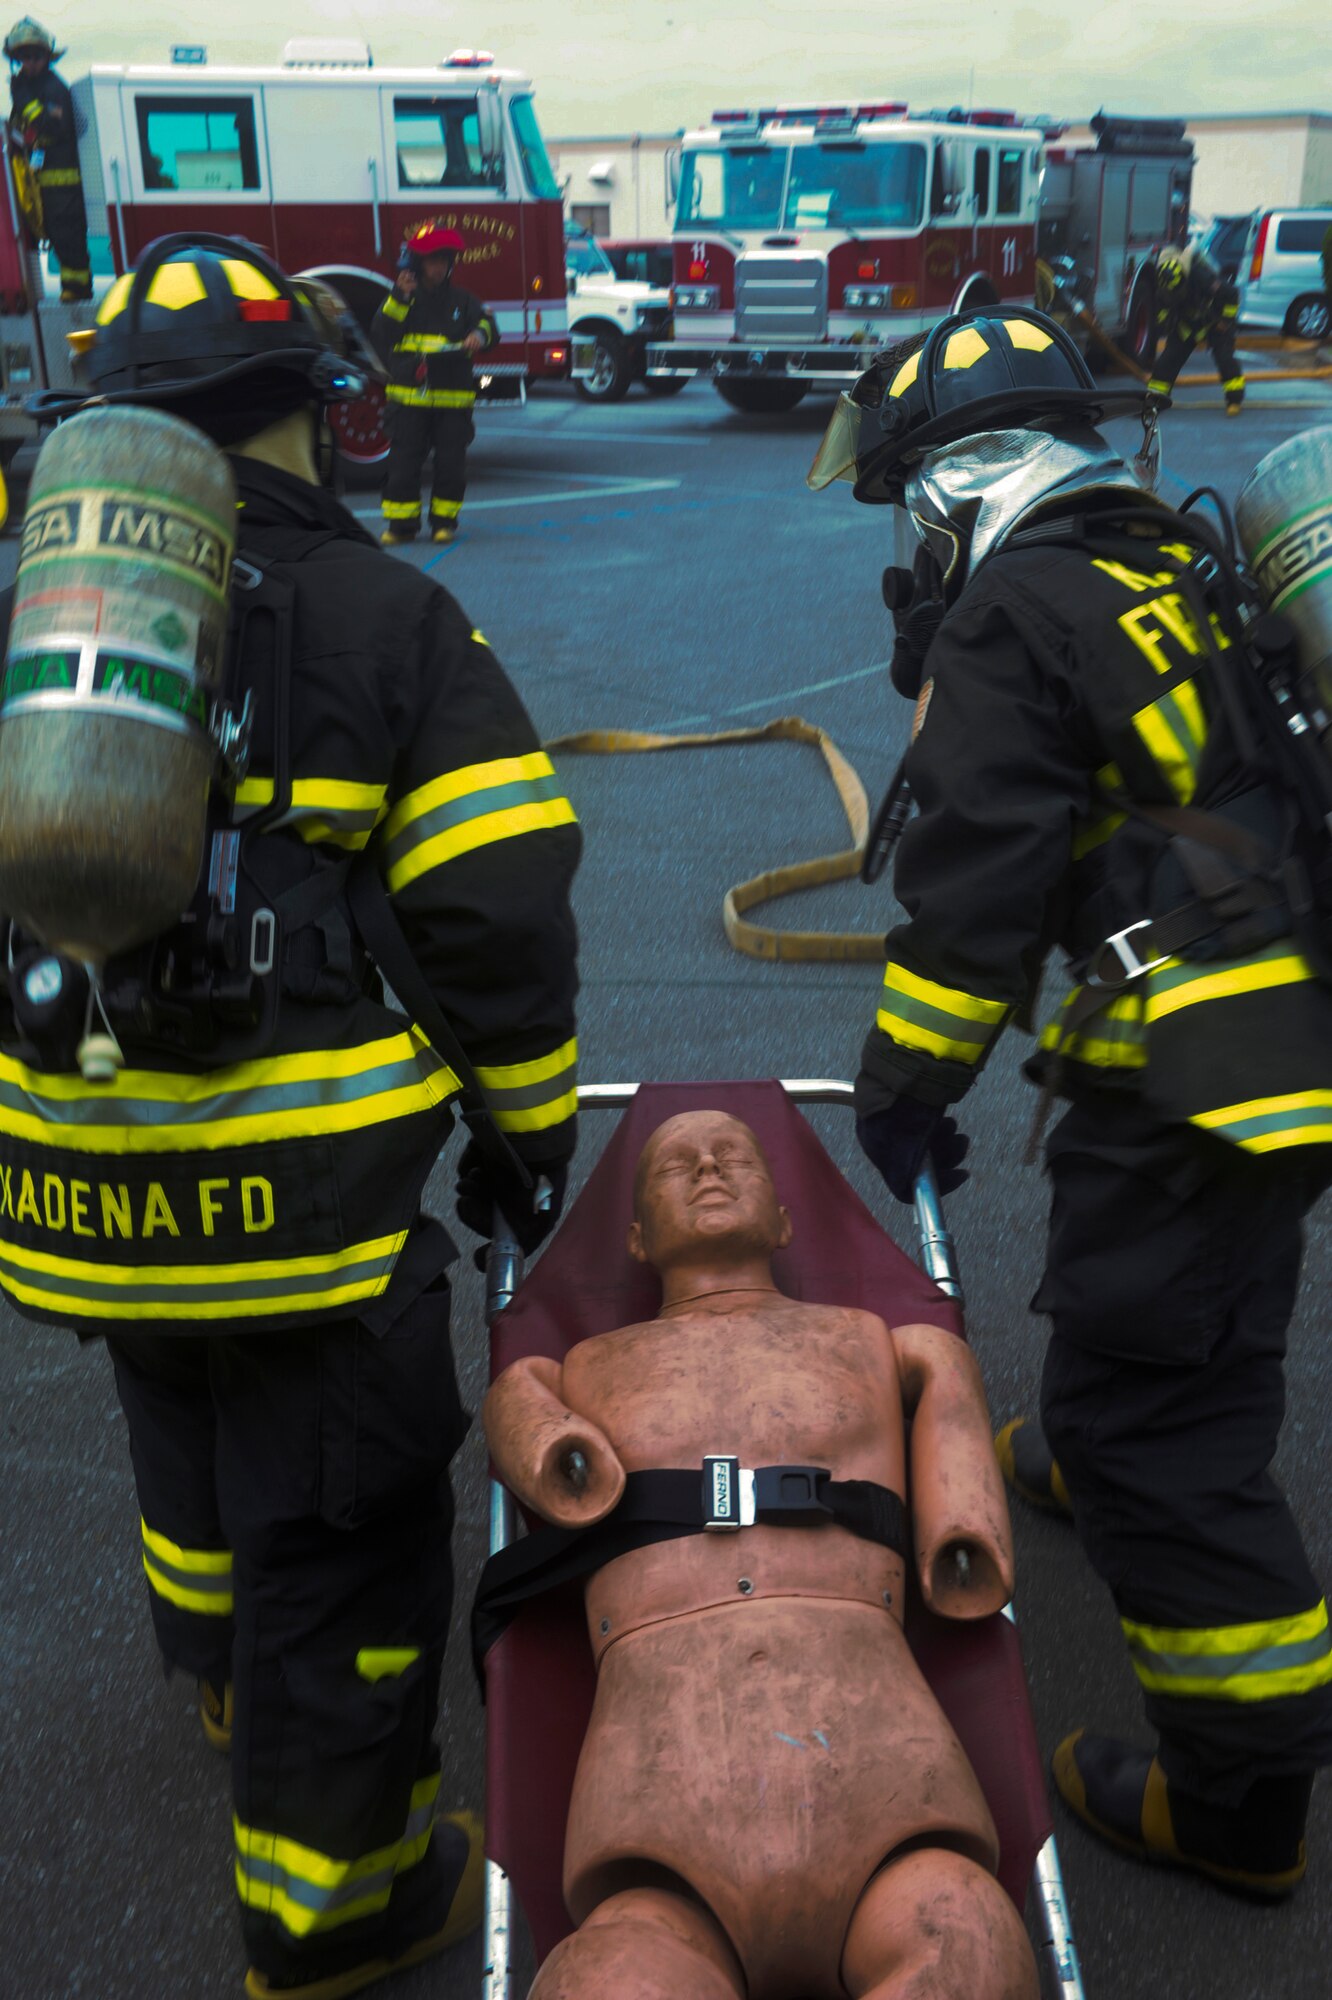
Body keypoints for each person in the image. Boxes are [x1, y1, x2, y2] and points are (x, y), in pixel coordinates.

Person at [4, 233, 581, 1997]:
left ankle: (219, 1671)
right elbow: (492, 898)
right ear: (320, 413)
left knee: (175, 1415)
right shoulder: (387, 617)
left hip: (79, 1184)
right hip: (306, 1210)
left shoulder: (43, 626)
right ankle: (335, 1909)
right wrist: (526, 1133)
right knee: (343, 1530)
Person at [808, 306, 1332, 1899]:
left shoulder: (1013, 614)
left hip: (1197, 1068)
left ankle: (1239, 1801)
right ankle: (1078, 1449)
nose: (909, 554)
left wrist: (903, 1087)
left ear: (959, 485)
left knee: (1158, 1426)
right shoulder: (1177, 567)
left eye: (909, 511)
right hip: (1277, 1044)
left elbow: (975, 891)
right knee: (1201, 1295)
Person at [482, 1109, 1037, 2000]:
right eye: (676, 1165)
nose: (708, 1167)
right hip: (662, 1813)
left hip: (881, 1776)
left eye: (734, 1155)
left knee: (967, 1943)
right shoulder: (578, 1369)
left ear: (784, 1222)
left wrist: (959, 1530)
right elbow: (516, 1406)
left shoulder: (880, 1344)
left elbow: (948, 1388)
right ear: (634, 1237)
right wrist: (554, 1447)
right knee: (604, 1981)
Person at [373, 222, 497, 546]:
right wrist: (401, 295)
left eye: (444, 261)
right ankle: (401, 525)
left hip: (452, 402)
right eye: (432, 261)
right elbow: (383, 334)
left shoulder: (463, 300)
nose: (439, 267)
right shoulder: (401, 299)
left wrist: (479, 335)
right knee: (403, 465)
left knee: (451, 466)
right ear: (417, 264)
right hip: (409, 401)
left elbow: (489, 326)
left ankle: (444, 523)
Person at [4, 15, 90, 300]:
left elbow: (51, 125)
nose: (30, 63)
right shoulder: (28, 89)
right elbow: (22, 130)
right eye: (24, 57)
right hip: (42, 179)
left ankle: (77, 292)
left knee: (68, 235)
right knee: (55, 234)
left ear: (46, 56)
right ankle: (71, 289)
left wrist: (25, 101)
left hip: (63, 181)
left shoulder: (53, 87)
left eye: (36, 56)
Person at [1146, 242, 1244, 417]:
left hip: (1214, 320)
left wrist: (1226, 321)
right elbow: (1161, 309)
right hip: (1186, 322)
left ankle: (1234, 400)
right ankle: (1155, 401)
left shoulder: (1202, 276)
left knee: (1225, 358)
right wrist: (1165, 324)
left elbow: (1231, 294)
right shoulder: (1163, 284)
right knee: (1167, 360)